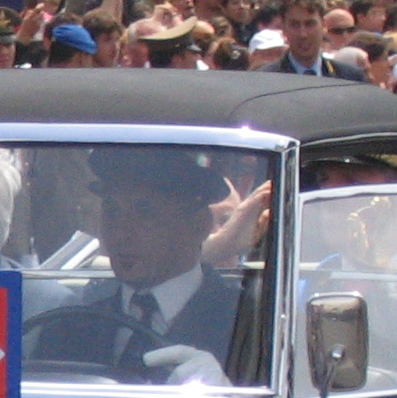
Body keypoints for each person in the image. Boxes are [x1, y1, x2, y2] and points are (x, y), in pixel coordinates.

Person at [30, 148, 244, 384]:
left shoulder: (243, 323)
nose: (120, 233)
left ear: (198, 225)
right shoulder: (72, 321)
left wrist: (228, 397)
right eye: (112, 212)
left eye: (145, 213)